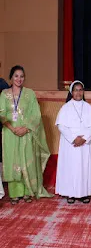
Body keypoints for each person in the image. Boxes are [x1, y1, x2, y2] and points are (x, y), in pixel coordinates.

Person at [0, 65, 53, 204]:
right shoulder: (4, 94)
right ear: (11, 78)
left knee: (27, 160)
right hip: (9, 133)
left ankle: (28, 191)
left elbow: (36, 115)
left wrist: (26, 128)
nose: (19, 79)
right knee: (13, 160)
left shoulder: (30, 94)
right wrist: (12, 128)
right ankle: (14, 193)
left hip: (27, 133)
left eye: (22, 76)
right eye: (16, 76)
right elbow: (2, 113)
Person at [55, 80, 91, 204]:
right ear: (71, 92)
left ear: (83, 92)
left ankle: (84, 193)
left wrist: (84, 138)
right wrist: (74, 138)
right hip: (71, 144)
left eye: (80, 90)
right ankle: (70, 193)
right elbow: (61, 126)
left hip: (85, 143)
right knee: (71, 168)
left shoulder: (89, 107)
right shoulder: (65, 107)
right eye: (76, 90)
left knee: (85, 168)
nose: (78, 92)